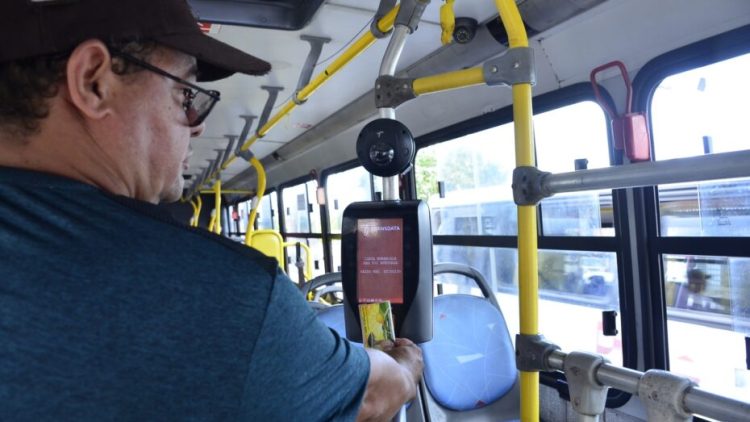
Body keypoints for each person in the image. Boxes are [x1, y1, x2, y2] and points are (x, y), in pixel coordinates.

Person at [0, 1, 423, 420]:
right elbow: (374, 396)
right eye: (186, 93)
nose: (198, 124)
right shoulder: (229, 299)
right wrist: (407, 364)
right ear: (94, 81)